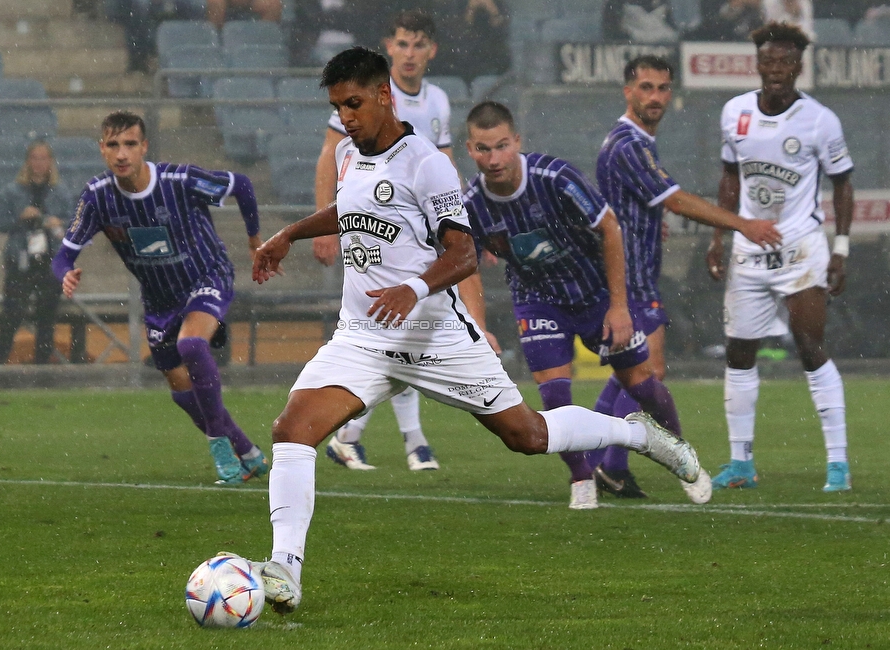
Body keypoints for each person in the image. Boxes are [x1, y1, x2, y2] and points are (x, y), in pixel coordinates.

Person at [247, 47, 704, 614]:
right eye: (340, 107)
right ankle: (285, 570)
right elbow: (347, 210)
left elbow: (464, 254)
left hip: (435, 337)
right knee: (292, 430)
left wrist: (411, 289)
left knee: (528, 436)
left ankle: (636, 433)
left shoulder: (426, 163)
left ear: (385, 95)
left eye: (356, 104)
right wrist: (287, 234)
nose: (348, 118)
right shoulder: (346, 153)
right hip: (363, 336)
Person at [459, 101, 714, 510]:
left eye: (502, 146)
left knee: (643, 386)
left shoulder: (555, 177)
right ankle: (582, 479)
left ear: (517, 142)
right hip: (537, 300)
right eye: (484, 149)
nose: (494, 159)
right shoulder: (469, 203)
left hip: (595, 294)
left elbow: (610, 228)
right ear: (470, 150)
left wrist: (619, 306)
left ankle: (680, 454)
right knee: (555, 397)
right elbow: (466, 265)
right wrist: (478, 324)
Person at [588, 55, 782, 499]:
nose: (655, 96)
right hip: (630, 280)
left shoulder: (634, 143)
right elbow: (675, 199)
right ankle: (609, 464)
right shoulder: (628, 144)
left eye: (662, 88)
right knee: (648, 371)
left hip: (635, 275)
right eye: (646, 88)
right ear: (628, 91)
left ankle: (601, 464)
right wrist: (743, 224)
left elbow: (644, 204)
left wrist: (650, 218)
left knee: (628, 374)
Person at [51, 111, 269, 486]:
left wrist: (254, 240)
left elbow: (242, 185)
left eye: (130, 144)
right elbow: (63, 256)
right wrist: (65, 274)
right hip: (159, 299)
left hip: (207, 276)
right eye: (114, 145)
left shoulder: (179, 181)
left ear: (144, 147)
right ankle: (248, 452)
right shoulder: (98, 196)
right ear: (102, 149)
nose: (122, 154)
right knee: (182, 391)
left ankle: (219, 446)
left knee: (192, 345)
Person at [706, 22, 855, 492]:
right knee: (738, 352)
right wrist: (718, 236)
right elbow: (731, 177)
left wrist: (841, 248)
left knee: (810, 348)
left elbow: (842, 185)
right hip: (750, 248)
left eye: (785, 62)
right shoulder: (734, 113)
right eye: (768, 61)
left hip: (800, 247)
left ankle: (837, 464)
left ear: (798, 66)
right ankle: (741, 463)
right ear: (757, 63)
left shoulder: (820, 120)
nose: (775, 70)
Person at [312, 10, 455, 472]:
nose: (409, 54)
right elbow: (330, 159)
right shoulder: (362, 98)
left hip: (418, 236)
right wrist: (328, 225)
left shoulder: (438, 102)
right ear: (388, 48)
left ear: (431, 51)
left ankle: (352, 435)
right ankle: (408, 441)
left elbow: (447, 168)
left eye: (418, 45)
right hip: (372, 237)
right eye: (401, 44)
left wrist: (459, 227)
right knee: (394, 333)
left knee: (400, 335)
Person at [0, 141, 72, 365]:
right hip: (21, 259)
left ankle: (42, 369)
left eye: (43, 158)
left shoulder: (61, 191)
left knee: (47, 318)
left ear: (50, 162)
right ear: (28, 162)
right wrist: (20, 217)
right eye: (34, 158)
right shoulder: (12, 191)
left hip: (50, 259)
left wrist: (59, 223)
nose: (39, 163)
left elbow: (73, 224)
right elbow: (0, 223)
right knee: (12, 315)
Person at [602, 0, 679, 43]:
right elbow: (611, 34)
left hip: (663, 48)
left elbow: (672, 29)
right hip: (629, 49)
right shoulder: (615, 5)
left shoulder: (662, 5)